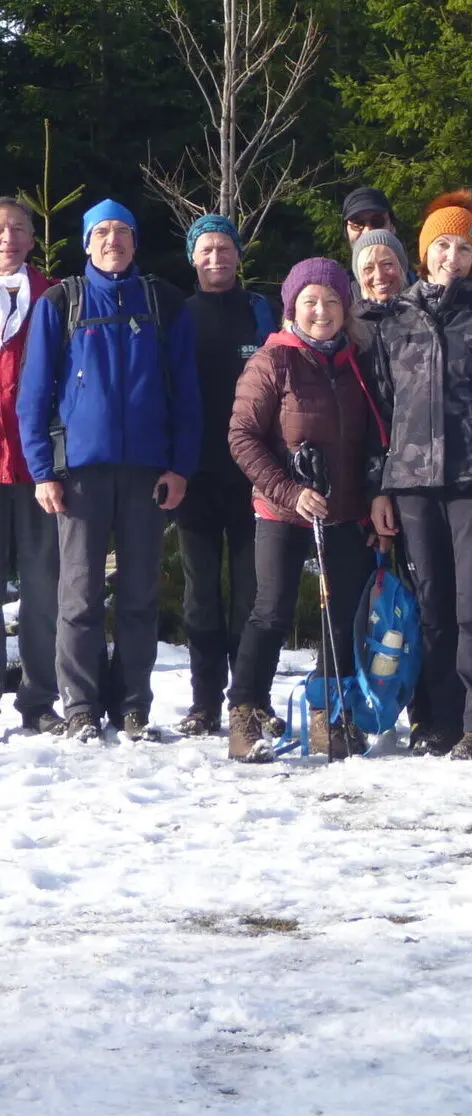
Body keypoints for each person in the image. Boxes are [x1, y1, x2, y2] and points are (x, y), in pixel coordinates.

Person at [17, 199, 201, 742]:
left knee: (141, 591)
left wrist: (180, 466)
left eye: (122, 231)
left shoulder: (164, 303)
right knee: (79, 594)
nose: (112, 240)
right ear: (86, 242)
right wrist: (43, 470)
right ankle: (80, 706)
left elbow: (187, 395)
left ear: (135, 242)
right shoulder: (61, 302)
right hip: (80, 473)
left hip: (147, 471)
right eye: (102, 232)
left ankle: (133, 704)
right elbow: (34, 396)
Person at [368, 192, 472, 761]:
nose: (452, 255)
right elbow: (380, 414)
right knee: (432, 606)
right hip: (412, 483)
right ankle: (434, 719)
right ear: (424, 251)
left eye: (463, 246)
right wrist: (382, 487)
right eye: (442, 244)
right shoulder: (394, 320)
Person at [226, 258, 383, 762]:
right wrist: (289, 491)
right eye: (311, 301)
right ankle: (246, 713)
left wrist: (374, 496)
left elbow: (376, 437)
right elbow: (242, 437)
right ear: (293, 306)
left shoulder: (358, 360)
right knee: (270, 611)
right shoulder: (274, 360)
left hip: (345, 511)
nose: (322, 312)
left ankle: (329, 716)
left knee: (341, 619)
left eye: (333, 301)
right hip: (283, 511)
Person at [174, 214, 276, 736]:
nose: (216, 258)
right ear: (193, 257)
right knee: (200, 596)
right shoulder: (179, 314)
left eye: (225, 249)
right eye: (206, 250)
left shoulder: (259, 312)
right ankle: (204, 701)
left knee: (251, 595)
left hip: (253, 476)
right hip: (194, 475)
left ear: (239, 255)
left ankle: (249, 697)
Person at [0, 198, 62, 733]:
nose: (8, 238)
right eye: (0, 230)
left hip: (39, 464)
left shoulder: (56, 295)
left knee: (43, 587)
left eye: (19, 229)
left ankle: (39, 701)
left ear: (33, 239)